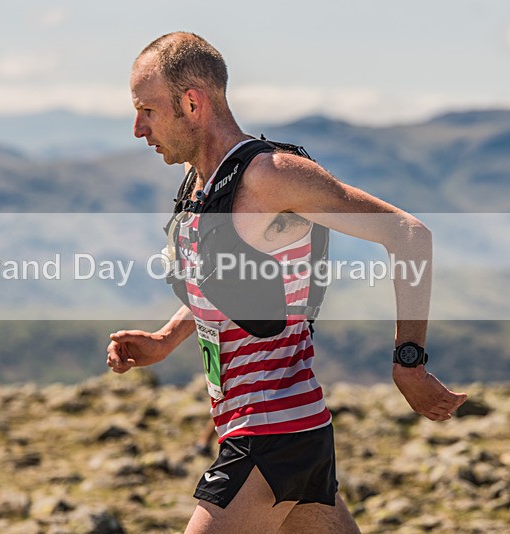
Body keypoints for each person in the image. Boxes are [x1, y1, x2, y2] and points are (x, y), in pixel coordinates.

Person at [107, 32, 467, 534]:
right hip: (284, 432)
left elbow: (408, 236)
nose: (137, 128)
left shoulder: (270, 175)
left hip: (272, 435)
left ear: (192, 103)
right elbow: (229, 281)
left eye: (147, 109)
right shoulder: (199, 185)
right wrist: (166, 339)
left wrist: (409, 361)